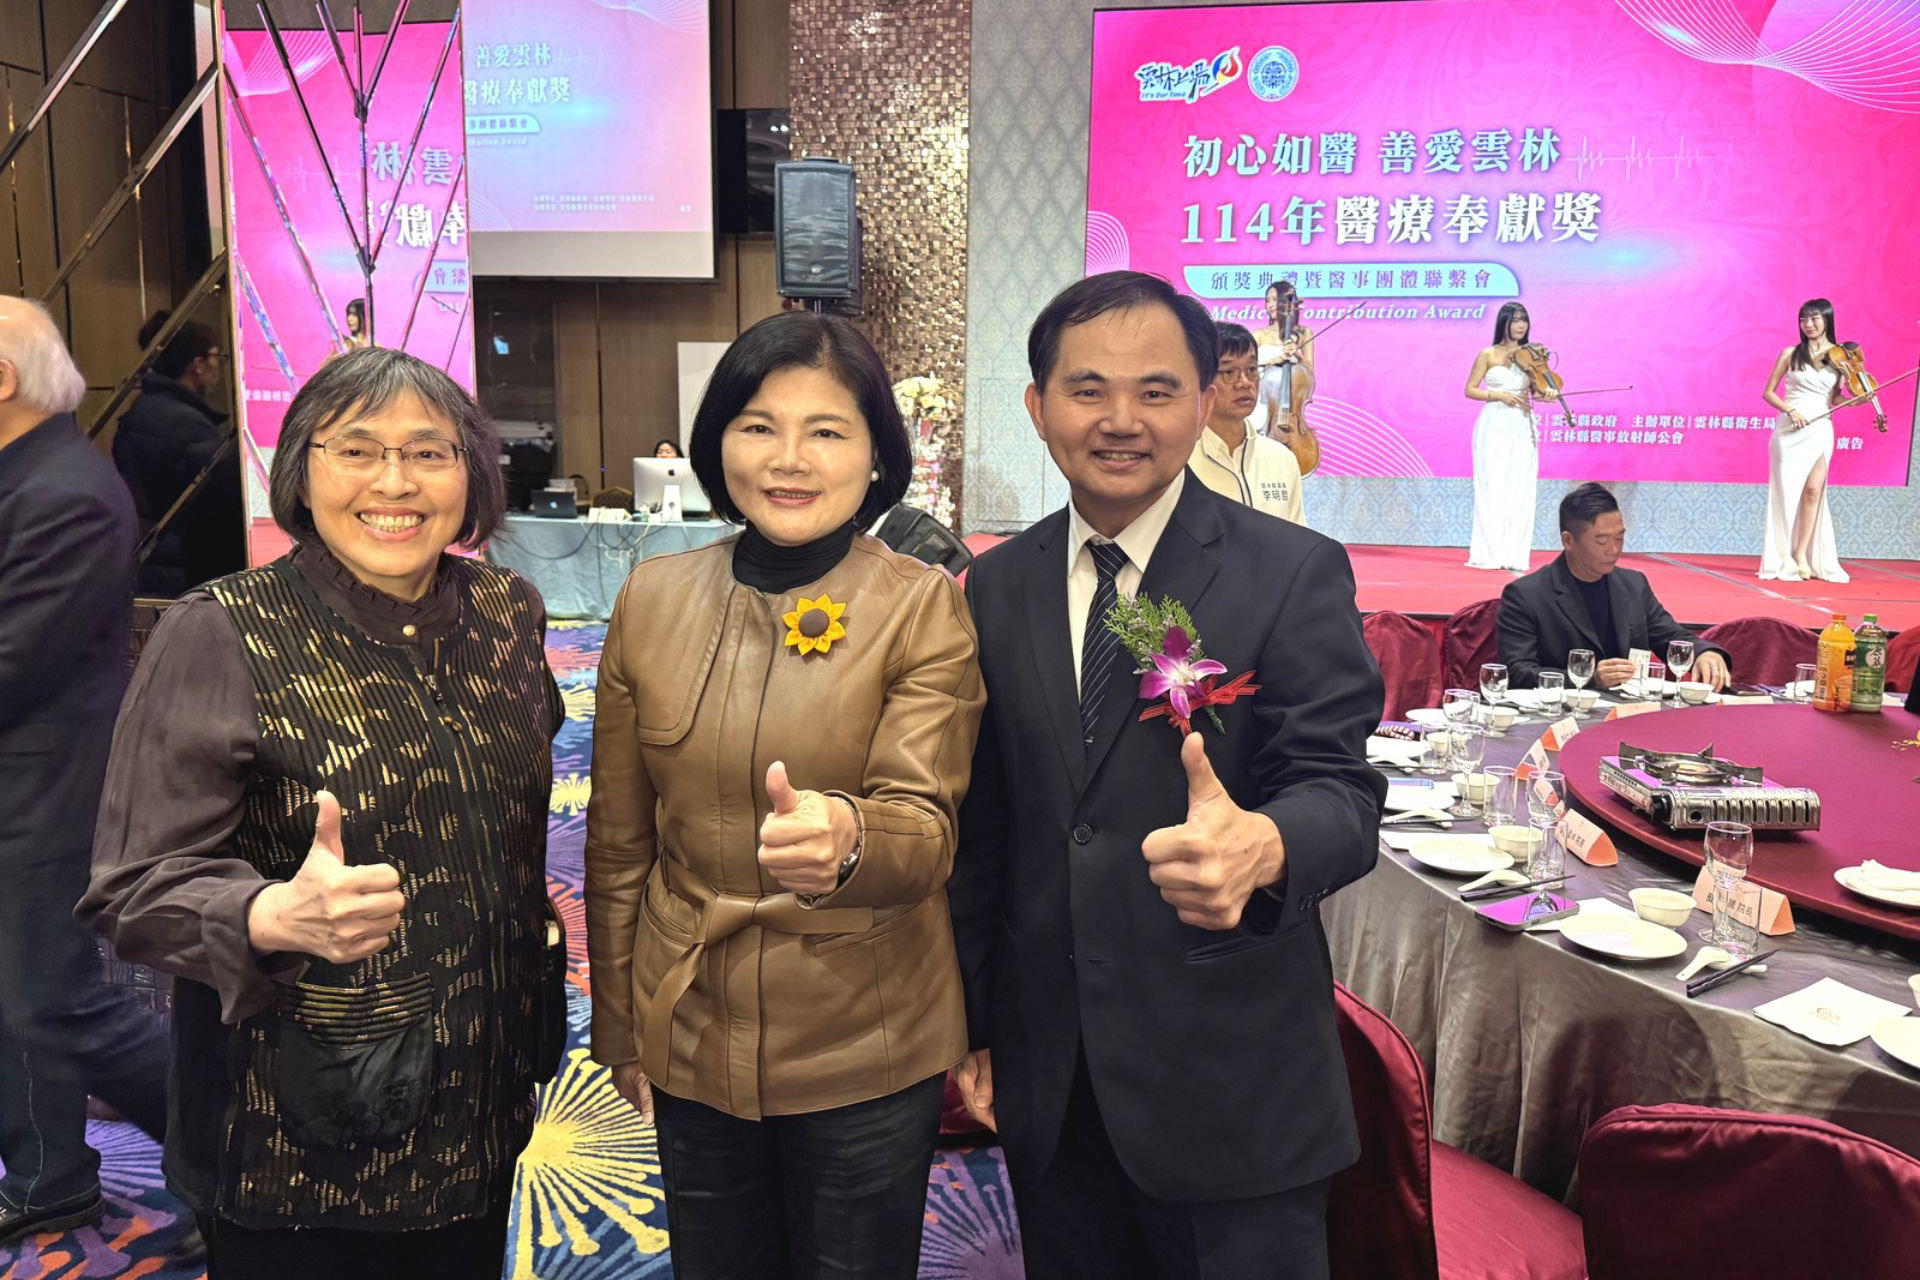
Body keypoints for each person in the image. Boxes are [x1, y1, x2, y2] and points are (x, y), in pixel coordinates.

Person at [82, 347, 565, 1277]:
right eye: (357, 449)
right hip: (302, 1130)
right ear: (302, 471)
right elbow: (130, 887)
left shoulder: (506, 614)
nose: (395, 482)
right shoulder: (222, 630)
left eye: (428, 452)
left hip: (484, 1094)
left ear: (471, 474)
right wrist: (267, 913)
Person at [949, 271, 1386, 1279]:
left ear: (1203, 400)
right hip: (1053, 1078)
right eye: (1087, 389)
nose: (1120, 420)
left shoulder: (1291, 571)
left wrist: (1265, 844)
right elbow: (986, 829)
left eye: (1155, 390)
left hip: (1233, 1084)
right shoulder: (996, 586)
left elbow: (1343, 791)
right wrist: (975, 1025)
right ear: (1038, 407)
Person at [585, 311, 985, 1278]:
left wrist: (849, 837)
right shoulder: (652, 598)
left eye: (827, 431)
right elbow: (620, 843)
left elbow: (926, 829)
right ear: (716, 442)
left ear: (876, 456)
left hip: (865, 1033)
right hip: (690, 1019)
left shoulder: (921, 604)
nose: (789, 459)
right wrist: (622, 1028)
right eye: (758, 425)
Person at [0, 296, 171, 1247]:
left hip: (44, 786)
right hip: (23, 778)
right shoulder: (28, 476)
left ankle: (232, 1161)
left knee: (56, 999)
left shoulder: (64, 491)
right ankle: (49, 1176)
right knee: (17, 995)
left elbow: (14, 662)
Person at [1497, 482, 1730, 691]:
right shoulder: (1527, 595)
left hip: (1628, 712)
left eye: (1619, 538)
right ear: (1568, 540)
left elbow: (1670, 635)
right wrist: (1588, 677)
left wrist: (1704, 652)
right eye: (1601, 541)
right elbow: (1518, 672)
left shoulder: (1633, 585)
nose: (1614, 550)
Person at [114, 311, 245, 595]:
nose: (218, 367)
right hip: (183, 569)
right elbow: (216, 515)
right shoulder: (189, 427)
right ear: (197, 364)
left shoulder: (141, 410)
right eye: (216, 357)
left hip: (150, 557)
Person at [1758, 298, 1850, 582]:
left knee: (1813, 491)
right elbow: (1768, 392)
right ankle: (1781, 557)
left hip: (1820, 428)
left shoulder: (1840, 358)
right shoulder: (1790, 353)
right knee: (1786, 494)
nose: (1808, 324)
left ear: (1827, 320)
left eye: (1814, 319)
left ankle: (1801, 555)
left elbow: (1835, 399)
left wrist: (1858, 397)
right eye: (1803, 319)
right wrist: (1791, 410)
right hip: (1789, 430)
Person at [1464, 301, 1557, 572]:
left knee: (1520, 487)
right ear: (1504, 322)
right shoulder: (1488, 354)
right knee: (1492, 485)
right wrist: (1498, 395)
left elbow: (1539, 392)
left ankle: (1514, 554)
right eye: (1515, 320)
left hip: (1521, 423)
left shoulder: (1533, 355)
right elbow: (1470, 389)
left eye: (1524, 320)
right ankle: (1489, 553)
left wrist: (1548, 394)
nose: (1520, 325)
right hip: (1493, 423)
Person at [1189, 322, 1304, 524]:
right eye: (1228, 372)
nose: (1245, 382)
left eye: (1251, 369)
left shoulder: (1282, 459)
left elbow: (1298, 536)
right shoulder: (1181, 460)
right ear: (1201, 379)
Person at [1250, 280, 1314, 458]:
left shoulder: (1304, 333)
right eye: (1267, 300)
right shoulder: (1259, 334)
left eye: (1275, 299)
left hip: (1290, 409)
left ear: (1288, 304)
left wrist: (1298, 355)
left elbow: (1310, 373)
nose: (1270, 305)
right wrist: (1273, 361)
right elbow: (1248, 370)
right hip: (1262, 405)